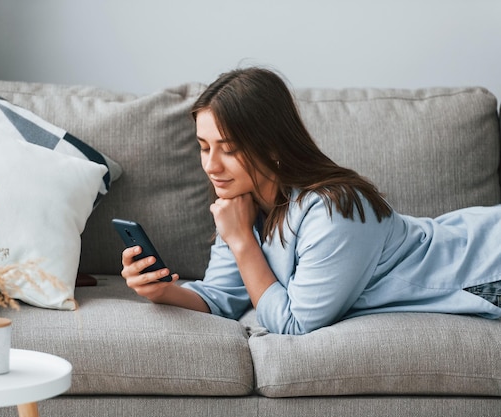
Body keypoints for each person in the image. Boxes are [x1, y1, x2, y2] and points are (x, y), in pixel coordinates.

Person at [120, 67, 501, 335]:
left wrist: (241, 241)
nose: (211, 165)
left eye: (229, 149)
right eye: (204, 148)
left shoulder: (335, 209)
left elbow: (293, 323)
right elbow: (223, 297)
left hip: (485, 262)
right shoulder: (242, 202)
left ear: (273, 147)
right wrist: (161, 291)